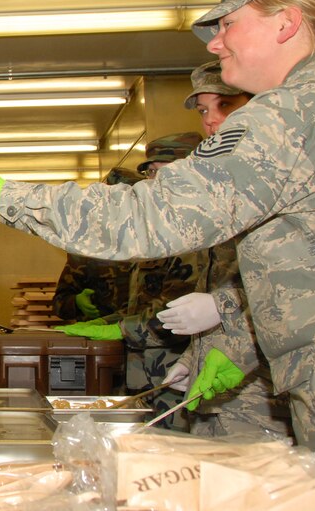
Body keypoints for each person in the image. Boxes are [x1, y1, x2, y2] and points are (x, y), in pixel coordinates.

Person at [0, 0, 315, 451]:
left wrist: (4, 196)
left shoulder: (293, 112)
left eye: (228, 24)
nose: (216, 44)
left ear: (286, 22)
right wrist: (234, 337)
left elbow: (153, 217)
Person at [159, 62, 292, 440]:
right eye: (204, 111)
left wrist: (225, 307)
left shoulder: (290, 175)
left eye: (226, 105)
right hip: (222, 395)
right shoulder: (234, 184)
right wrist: (195, 355)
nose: (212, 122)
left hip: (269, 399)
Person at [61, 134, 209, 431]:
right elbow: (141, 304)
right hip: (144, 376)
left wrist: (118, 329)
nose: (150, 181)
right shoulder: (157, 234)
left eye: (159, 171)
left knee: (178, 456)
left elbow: (176, 311)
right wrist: (105, 322)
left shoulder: (197, 234)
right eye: (149, 172)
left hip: (178, 374)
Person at [51, 168, 142, 323]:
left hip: (147, 338)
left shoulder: (155, 244)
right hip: (99, 340)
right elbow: (60, 303)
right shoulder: (86, 248)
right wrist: (76, 302)